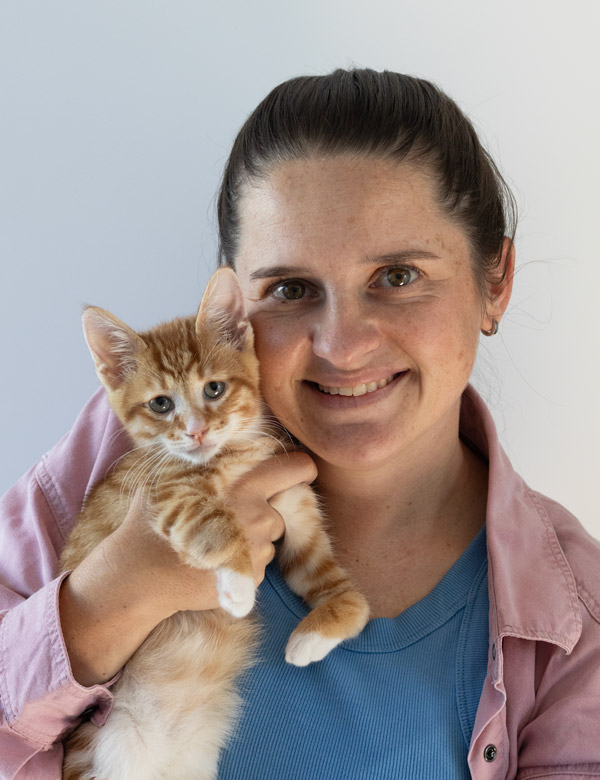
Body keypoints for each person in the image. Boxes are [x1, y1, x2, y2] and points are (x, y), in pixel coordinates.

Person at [1, 68, 599, 780]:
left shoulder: (575, 620)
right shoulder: (110, 457)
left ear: (494, 283)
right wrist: (107, 599)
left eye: (399, 276)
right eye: (289, 289)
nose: (342, 345)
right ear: (231, 310)